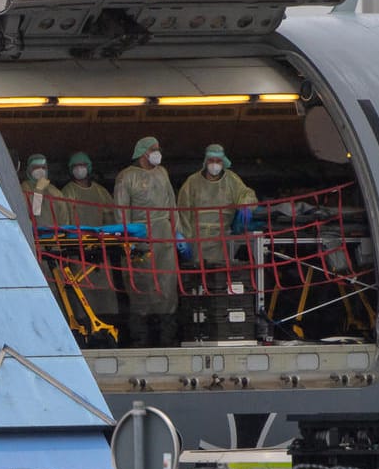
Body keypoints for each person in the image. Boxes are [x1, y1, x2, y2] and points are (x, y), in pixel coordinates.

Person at [113, 137, 181, 346]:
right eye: (153, 149)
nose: (157, 153)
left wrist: (177, 232)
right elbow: (121, 212)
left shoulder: (162, 173)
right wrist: (128, 240)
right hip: (140, 237)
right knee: (141, 287)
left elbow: (172, 204)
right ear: (143, 152)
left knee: (167, 286)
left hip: (164, 238)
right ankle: (140, 339)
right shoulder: (126, 177)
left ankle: (167, 338)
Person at [56, 151, 120, 317]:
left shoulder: (100, 193)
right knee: (82, 287)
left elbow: (110, 218)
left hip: (100, 246)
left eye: (82, 166)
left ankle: (108, 320)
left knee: (104, 289)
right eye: (76, 166)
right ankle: (85, 321)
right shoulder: (68, 192)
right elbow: (64, 219)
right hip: (77, 248)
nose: (80, 169)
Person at [175, 144, 259, 269]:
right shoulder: (192, 182)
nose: (214, 164)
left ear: (223, 161)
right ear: (205, 161)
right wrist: (181, 236)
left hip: (222, 240)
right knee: (197, 279)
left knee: (220, 278)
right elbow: (182, 213)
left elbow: (246, 194)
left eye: (218, 161)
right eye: (211, 160)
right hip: (197, 241)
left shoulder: (231, 180)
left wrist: (246, 205)